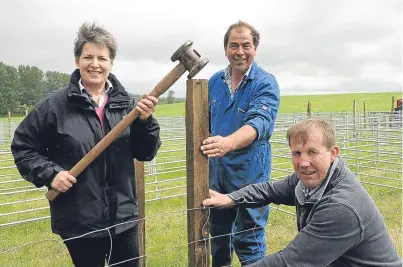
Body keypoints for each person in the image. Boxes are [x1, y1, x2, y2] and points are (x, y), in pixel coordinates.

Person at [11, 22, 161, 267]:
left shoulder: (128, 104)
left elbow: (146, 152)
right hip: (79, 222)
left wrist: (145, 122)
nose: (95, 64)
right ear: (76, 61)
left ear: (111, 63)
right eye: (88, 56)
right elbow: (23, 147)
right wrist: (51, 174)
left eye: (102, 58)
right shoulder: (55, 106)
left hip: (123, 220)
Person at [203, 118, 402, 267]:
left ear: (333, 153)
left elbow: (291, 262)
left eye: (312, 152)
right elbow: (270, 190)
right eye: (297, 153)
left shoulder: (341, 206)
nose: (303, 162)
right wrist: (230, 198)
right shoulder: (309, 179)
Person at [200, 21, 280, 266]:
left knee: (249, 238)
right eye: (234, 45)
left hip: (250, 175)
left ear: (255, 48)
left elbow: (259, 123)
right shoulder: (214, 82)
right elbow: (203, 123)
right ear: (225, 49)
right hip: (217, 175)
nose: (240, 51)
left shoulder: (264, 83)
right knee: (219, 238)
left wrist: (228, 143)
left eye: (246, 45)